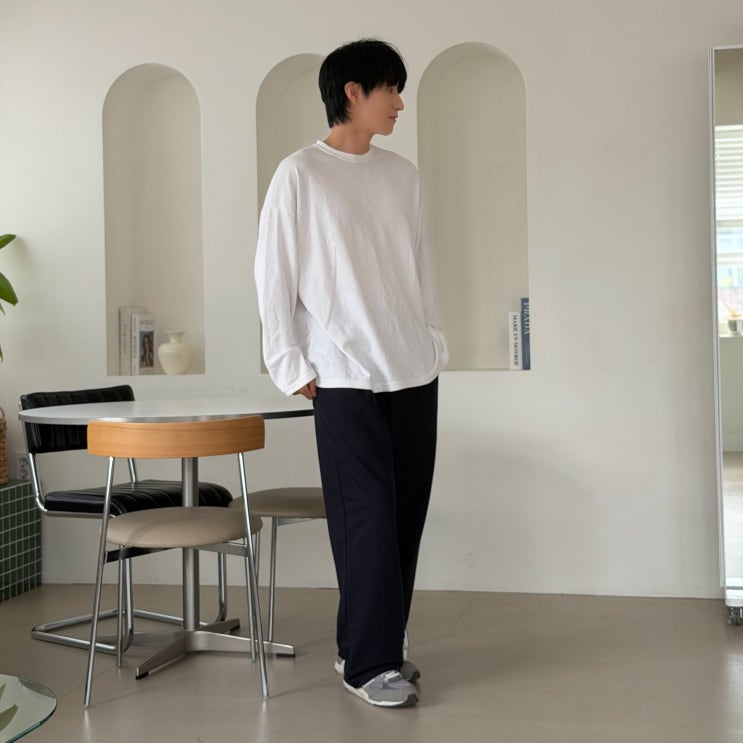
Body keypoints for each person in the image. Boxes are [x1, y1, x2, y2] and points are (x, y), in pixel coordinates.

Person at [254, 38, 448, 708]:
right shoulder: (300, 174)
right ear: (352, 93)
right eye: (390, 89)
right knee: (365, 515)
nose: (399, 103)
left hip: (412, 368)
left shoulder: (402, 175)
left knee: (403, 515)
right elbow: (273, 272)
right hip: (341, 373)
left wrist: (432, 340)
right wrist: (287, 361)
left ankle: (371, 644)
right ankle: (369, 665)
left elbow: (419, 264)